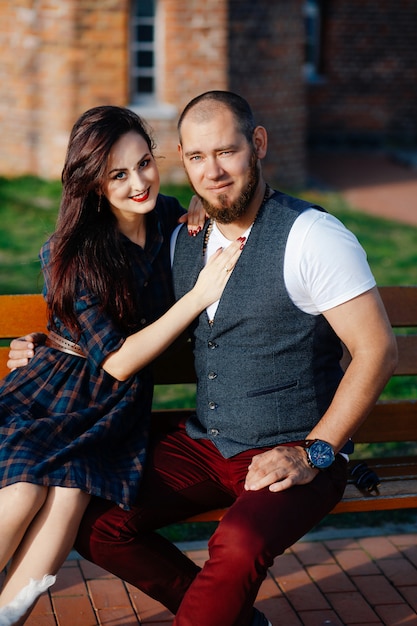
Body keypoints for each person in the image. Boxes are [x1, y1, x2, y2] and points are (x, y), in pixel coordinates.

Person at [8, 92, 398, 626]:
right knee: (98, 521)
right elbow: (111, 309)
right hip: (208, 440)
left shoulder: (313, 236)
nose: (212, 173)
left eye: (226, 153)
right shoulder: (181, 237)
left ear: (257, 144)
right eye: (196, 158)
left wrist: (315, 453)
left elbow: (377, 349)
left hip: (297, 448)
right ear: (183, 160)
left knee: (235, 543)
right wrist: (44, 340)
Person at [0, 104, 243, 626]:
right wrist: (199, 296)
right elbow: (114, 361)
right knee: (23, 493)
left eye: (144, 163)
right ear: (92, 184)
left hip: (111, 413)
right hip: (56, 393)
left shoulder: (168, 219)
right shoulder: (69, 252)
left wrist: (201, 203)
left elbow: (220, 208)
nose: (139, 182)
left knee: (69, 497)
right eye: (118, 174)